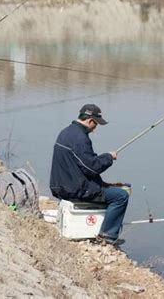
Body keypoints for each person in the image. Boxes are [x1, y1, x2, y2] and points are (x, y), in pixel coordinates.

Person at [50, 104, 129, 245]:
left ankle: (104, 229)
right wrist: (109, 157)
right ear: (90, 121)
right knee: (121, 196)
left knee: (111, 190)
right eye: (96, 124)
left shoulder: (65, 132)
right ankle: (107, 236)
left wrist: (103, 184)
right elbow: (92, 168)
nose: (95, 128)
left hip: (60, 186)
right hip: (74, 189)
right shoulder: (80, 138)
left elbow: (80, 167)